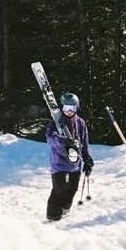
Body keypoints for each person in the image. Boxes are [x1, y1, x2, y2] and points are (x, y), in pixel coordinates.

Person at [45, 92, 94, 221]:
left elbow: (84, 142)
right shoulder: (56, 122)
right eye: (66, 108)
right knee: (59, 189)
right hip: (59, 163)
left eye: (72, 109)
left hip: (75, 165)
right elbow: (50, 138)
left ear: (76, 108)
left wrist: (87, 159)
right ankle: (52, 216)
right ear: (62, 108)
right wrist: (63, 141)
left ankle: (65, 210)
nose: (69, 111)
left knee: (72, 189)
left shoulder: (80, 123)